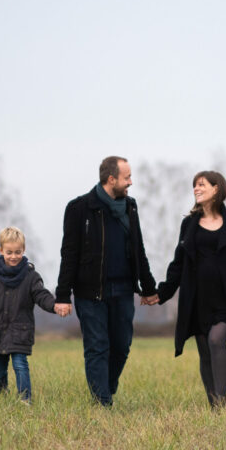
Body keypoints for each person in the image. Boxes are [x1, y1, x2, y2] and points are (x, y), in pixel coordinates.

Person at [155, 170, 226, 408]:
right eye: (194, 185)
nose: (196, 189)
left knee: (217, 340)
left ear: (217, 189)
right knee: (205, 351)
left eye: (202, 185)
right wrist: (161, 293)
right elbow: (178, 264)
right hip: (197, 300)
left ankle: (222, 400)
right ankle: (214, 405)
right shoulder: (189, 224)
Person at [54, 156, 158, 407]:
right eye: (127, 177)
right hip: (91, 292)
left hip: (123, 290)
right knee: (97, 346)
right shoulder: (79, 208)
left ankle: (106, 389)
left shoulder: (130, 207)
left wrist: (149, 287)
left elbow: (138, 249)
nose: (131, 182)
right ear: (111, 179)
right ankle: (102, 402)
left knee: (121, 346)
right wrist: (62, 295)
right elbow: (69, 254)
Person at [0, 226, 58, 403]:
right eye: (9, 252)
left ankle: (25, 400)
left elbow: (41, 295)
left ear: (23, 250)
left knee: (20, 365)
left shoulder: (31, 277)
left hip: (20, 332)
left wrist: (55, 305)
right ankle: (2, 398)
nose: (14, 256)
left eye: (18, 252)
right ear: (1, 250)